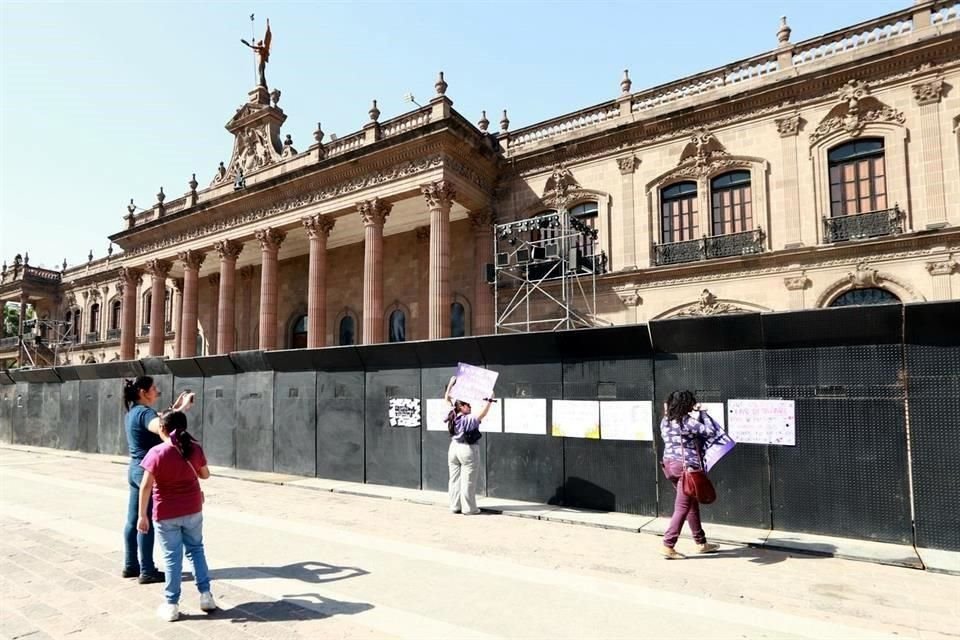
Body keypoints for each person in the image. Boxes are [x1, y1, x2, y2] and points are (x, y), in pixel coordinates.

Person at [137, 410, 216, 622]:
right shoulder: (194, 448)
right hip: (192, 508)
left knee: (172, 558)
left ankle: (171, 605)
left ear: (162, 429)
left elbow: (145, 487)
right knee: (197, 550)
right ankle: (206, 596)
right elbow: (205, 475)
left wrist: (141, 515)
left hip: (166, 513)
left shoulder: (156, 452)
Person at [659, 390, 722, 559]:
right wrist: (703, 413)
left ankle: (701, 543)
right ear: (688, 404)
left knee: (690, 503)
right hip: (686, 468)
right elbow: (711, 432)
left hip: (669, 465)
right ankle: (668, 545)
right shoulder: (688, 422)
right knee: (682, 507)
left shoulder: (665, 421)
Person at [443, 376, 494, 516]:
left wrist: (451, 384)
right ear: (462, 406)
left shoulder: (452, 414)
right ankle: (469, 508)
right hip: (467, 449)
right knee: (468, 481)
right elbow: (481, 415)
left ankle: (455, 506)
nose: (470, 407)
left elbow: (446, 398)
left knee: (454, 480)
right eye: (468, 405)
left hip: (453, 448)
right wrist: (489, 401)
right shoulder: (468, 419)